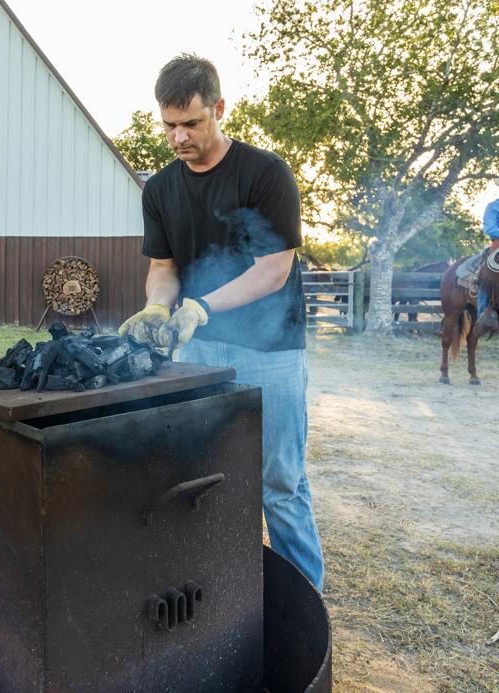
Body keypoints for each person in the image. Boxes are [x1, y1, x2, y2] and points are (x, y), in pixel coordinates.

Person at [119, 54, 324, 591]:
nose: (179, 137)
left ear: (219, 109)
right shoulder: (159, 190)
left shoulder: (264, 174)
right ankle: (222, 594)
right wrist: (159, 307)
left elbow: (274, 270)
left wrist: (203, 306)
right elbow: (163, 269)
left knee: (279, 483)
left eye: (191, 123)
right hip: (201, 354)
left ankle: (303, 601)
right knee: (205, 478)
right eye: (169, 125)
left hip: (272, 352)